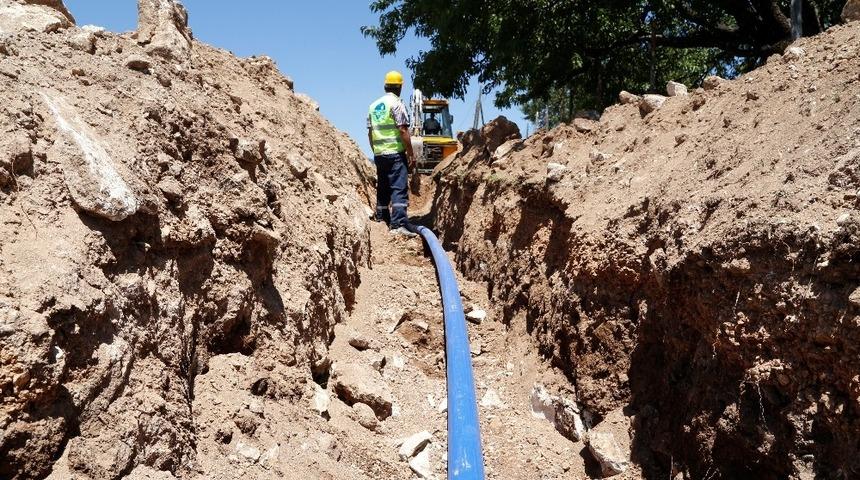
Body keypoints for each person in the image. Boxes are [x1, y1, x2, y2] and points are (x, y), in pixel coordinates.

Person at [367, 71, 417, 237]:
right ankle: (399, 224)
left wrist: (376, 151)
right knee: (398, 187)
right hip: (395, 152)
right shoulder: (397, 104)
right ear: (400, 87)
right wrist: (410, 153)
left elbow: (370, 133)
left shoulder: (373, 106)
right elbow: (403, 129)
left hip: (380, 154)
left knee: (383, 186)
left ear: (385, 86)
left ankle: (382, 217)